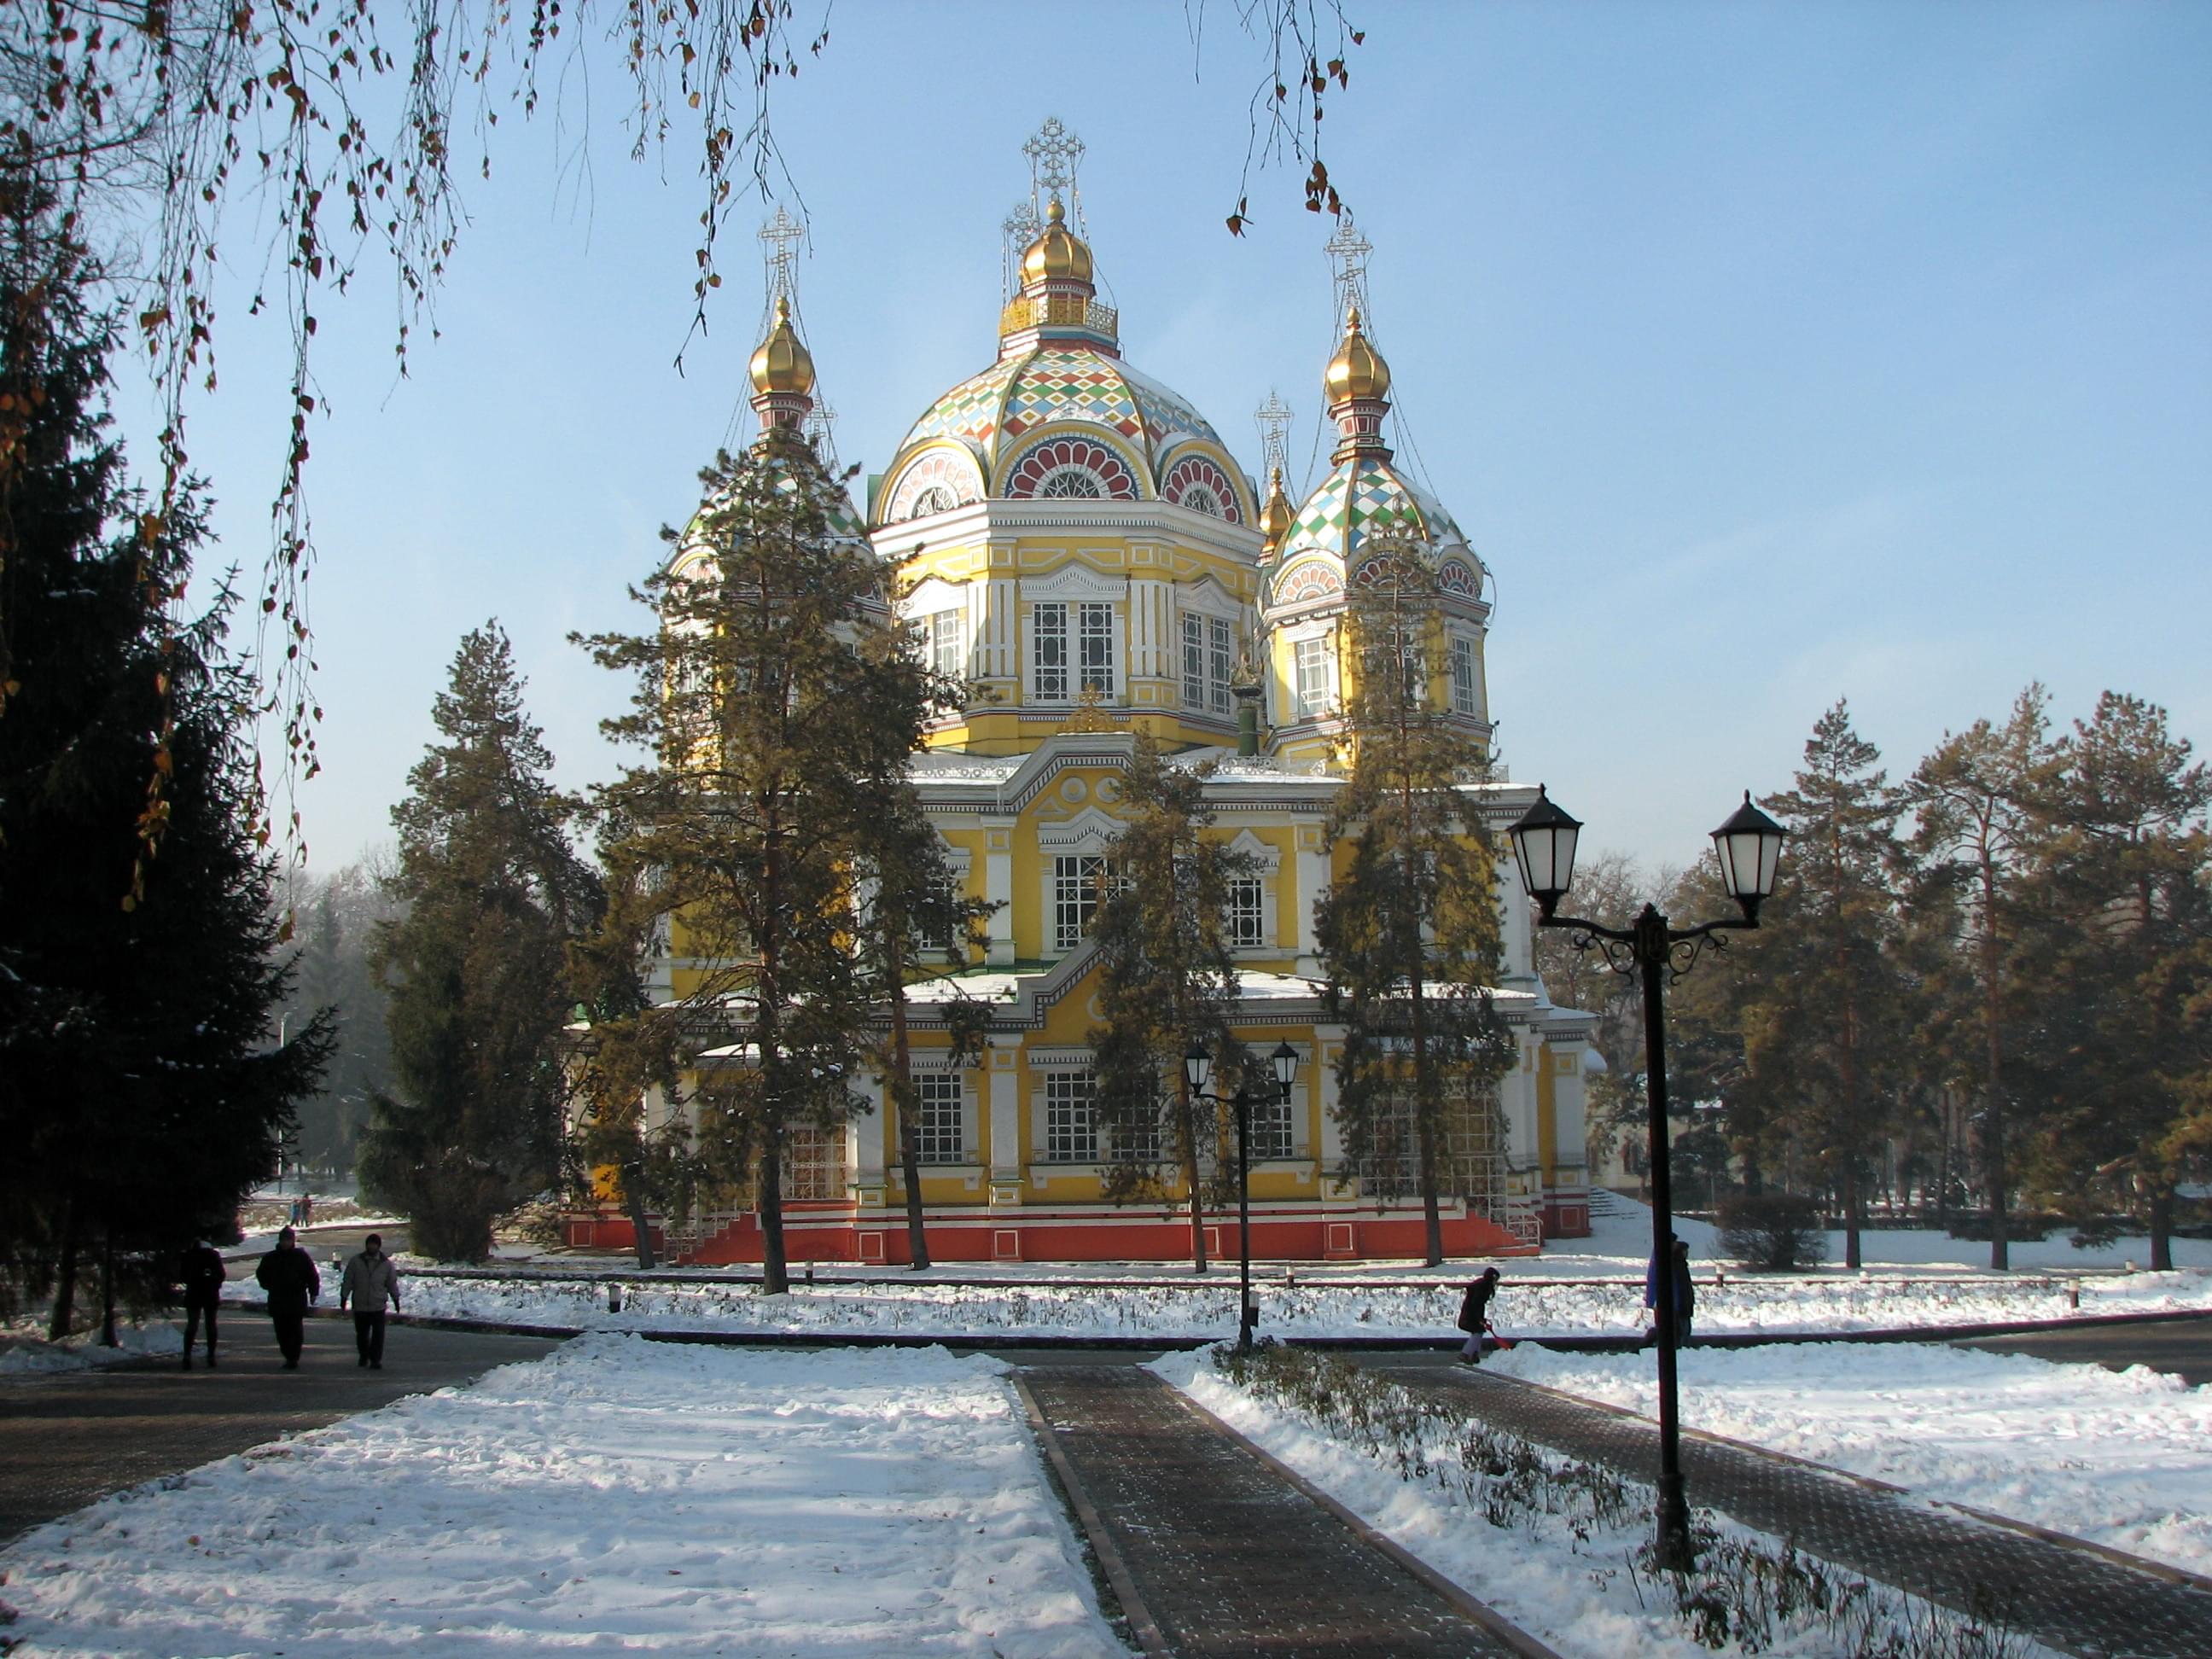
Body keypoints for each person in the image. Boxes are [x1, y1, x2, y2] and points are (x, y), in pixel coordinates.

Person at [255, 1225, 320, 1369]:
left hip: (296, 1298)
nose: (286, 1243)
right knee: (281, 1330)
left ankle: (293, 1357)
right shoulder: (271, 1257)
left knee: (295, 1329)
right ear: (280, 1241)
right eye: (284, 1240)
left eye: (288, 1240)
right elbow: (261, 1274)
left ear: (293, 1241)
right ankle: (287, 1353)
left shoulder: (301, 1257)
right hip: (278, 1299)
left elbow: (312, 1275)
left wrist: (313, 1292)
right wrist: (269, 1285)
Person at [339, 1233, 403, 1370]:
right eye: (370, 1244)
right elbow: (348, 1280)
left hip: (378, 1304)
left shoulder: (386, 1264)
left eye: (374, 1244)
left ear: (378, 1246)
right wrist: (344, 1297)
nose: (372, 1247)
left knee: (378, 1335)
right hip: (360, 1304)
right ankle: (363, 1355)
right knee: (362, 1334)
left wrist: (396, 1298)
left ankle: (375, 1360)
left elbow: (391, 1283)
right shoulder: (356, 1261)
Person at [177, 1237, 226, 1370]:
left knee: (192, 1325)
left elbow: (182, 1276)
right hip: (210, 1294)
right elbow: (221, 1275)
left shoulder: (188, 1255)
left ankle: (187, 1356)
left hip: (193, 1293)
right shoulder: (213, 1255)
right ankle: (211, 1356)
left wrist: (194, 1279)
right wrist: (213, 1282)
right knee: (210, 1325)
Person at [1644, 1235, 1695, 1346]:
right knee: (1676, 1329)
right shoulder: (1668, 1260)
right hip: (1676, 1302)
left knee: (1676, 1329)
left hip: (1678, 1302)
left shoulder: (1664, 1259)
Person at [1456, 1266, 1502, 1364]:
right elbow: (1476, 1304)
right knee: (1478, 1331)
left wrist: (1481, 1319)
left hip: (1470, 1315)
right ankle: (1466, 1354)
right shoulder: (1482, 1288)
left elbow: (1478, 1305)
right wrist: (1478, 1318)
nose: (1496, 1282)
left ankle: (1474, 1354)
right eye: (1495, 1280)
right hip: (1469, 1316)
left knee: (1478, 1331)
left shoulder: (1481, 1286)